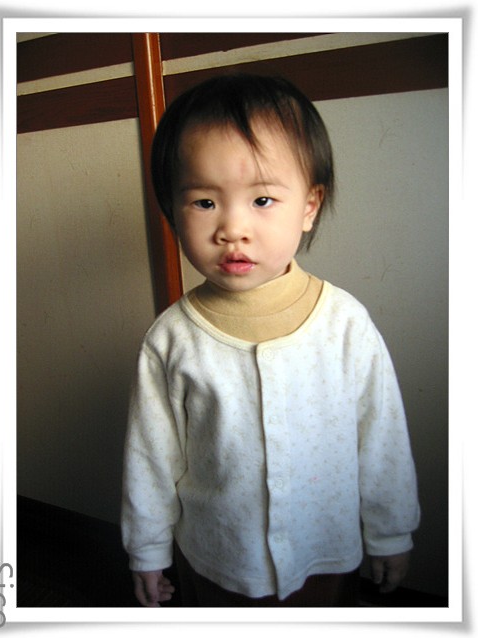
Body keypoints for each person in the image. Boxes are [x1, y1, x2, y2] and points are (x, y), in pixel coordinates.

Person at [121, 74, 420, 607]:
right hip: (216, 558)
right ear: (172, 211)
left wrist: (391, 531)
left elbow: (382, 439)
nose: (232, 228)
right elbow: (150, 458)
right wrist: (147, 550)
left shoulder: (344, 324)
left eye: (262, 199)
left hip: (326, 553)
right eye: (204, 202)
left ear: (309, 206)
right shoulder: (171, 339)